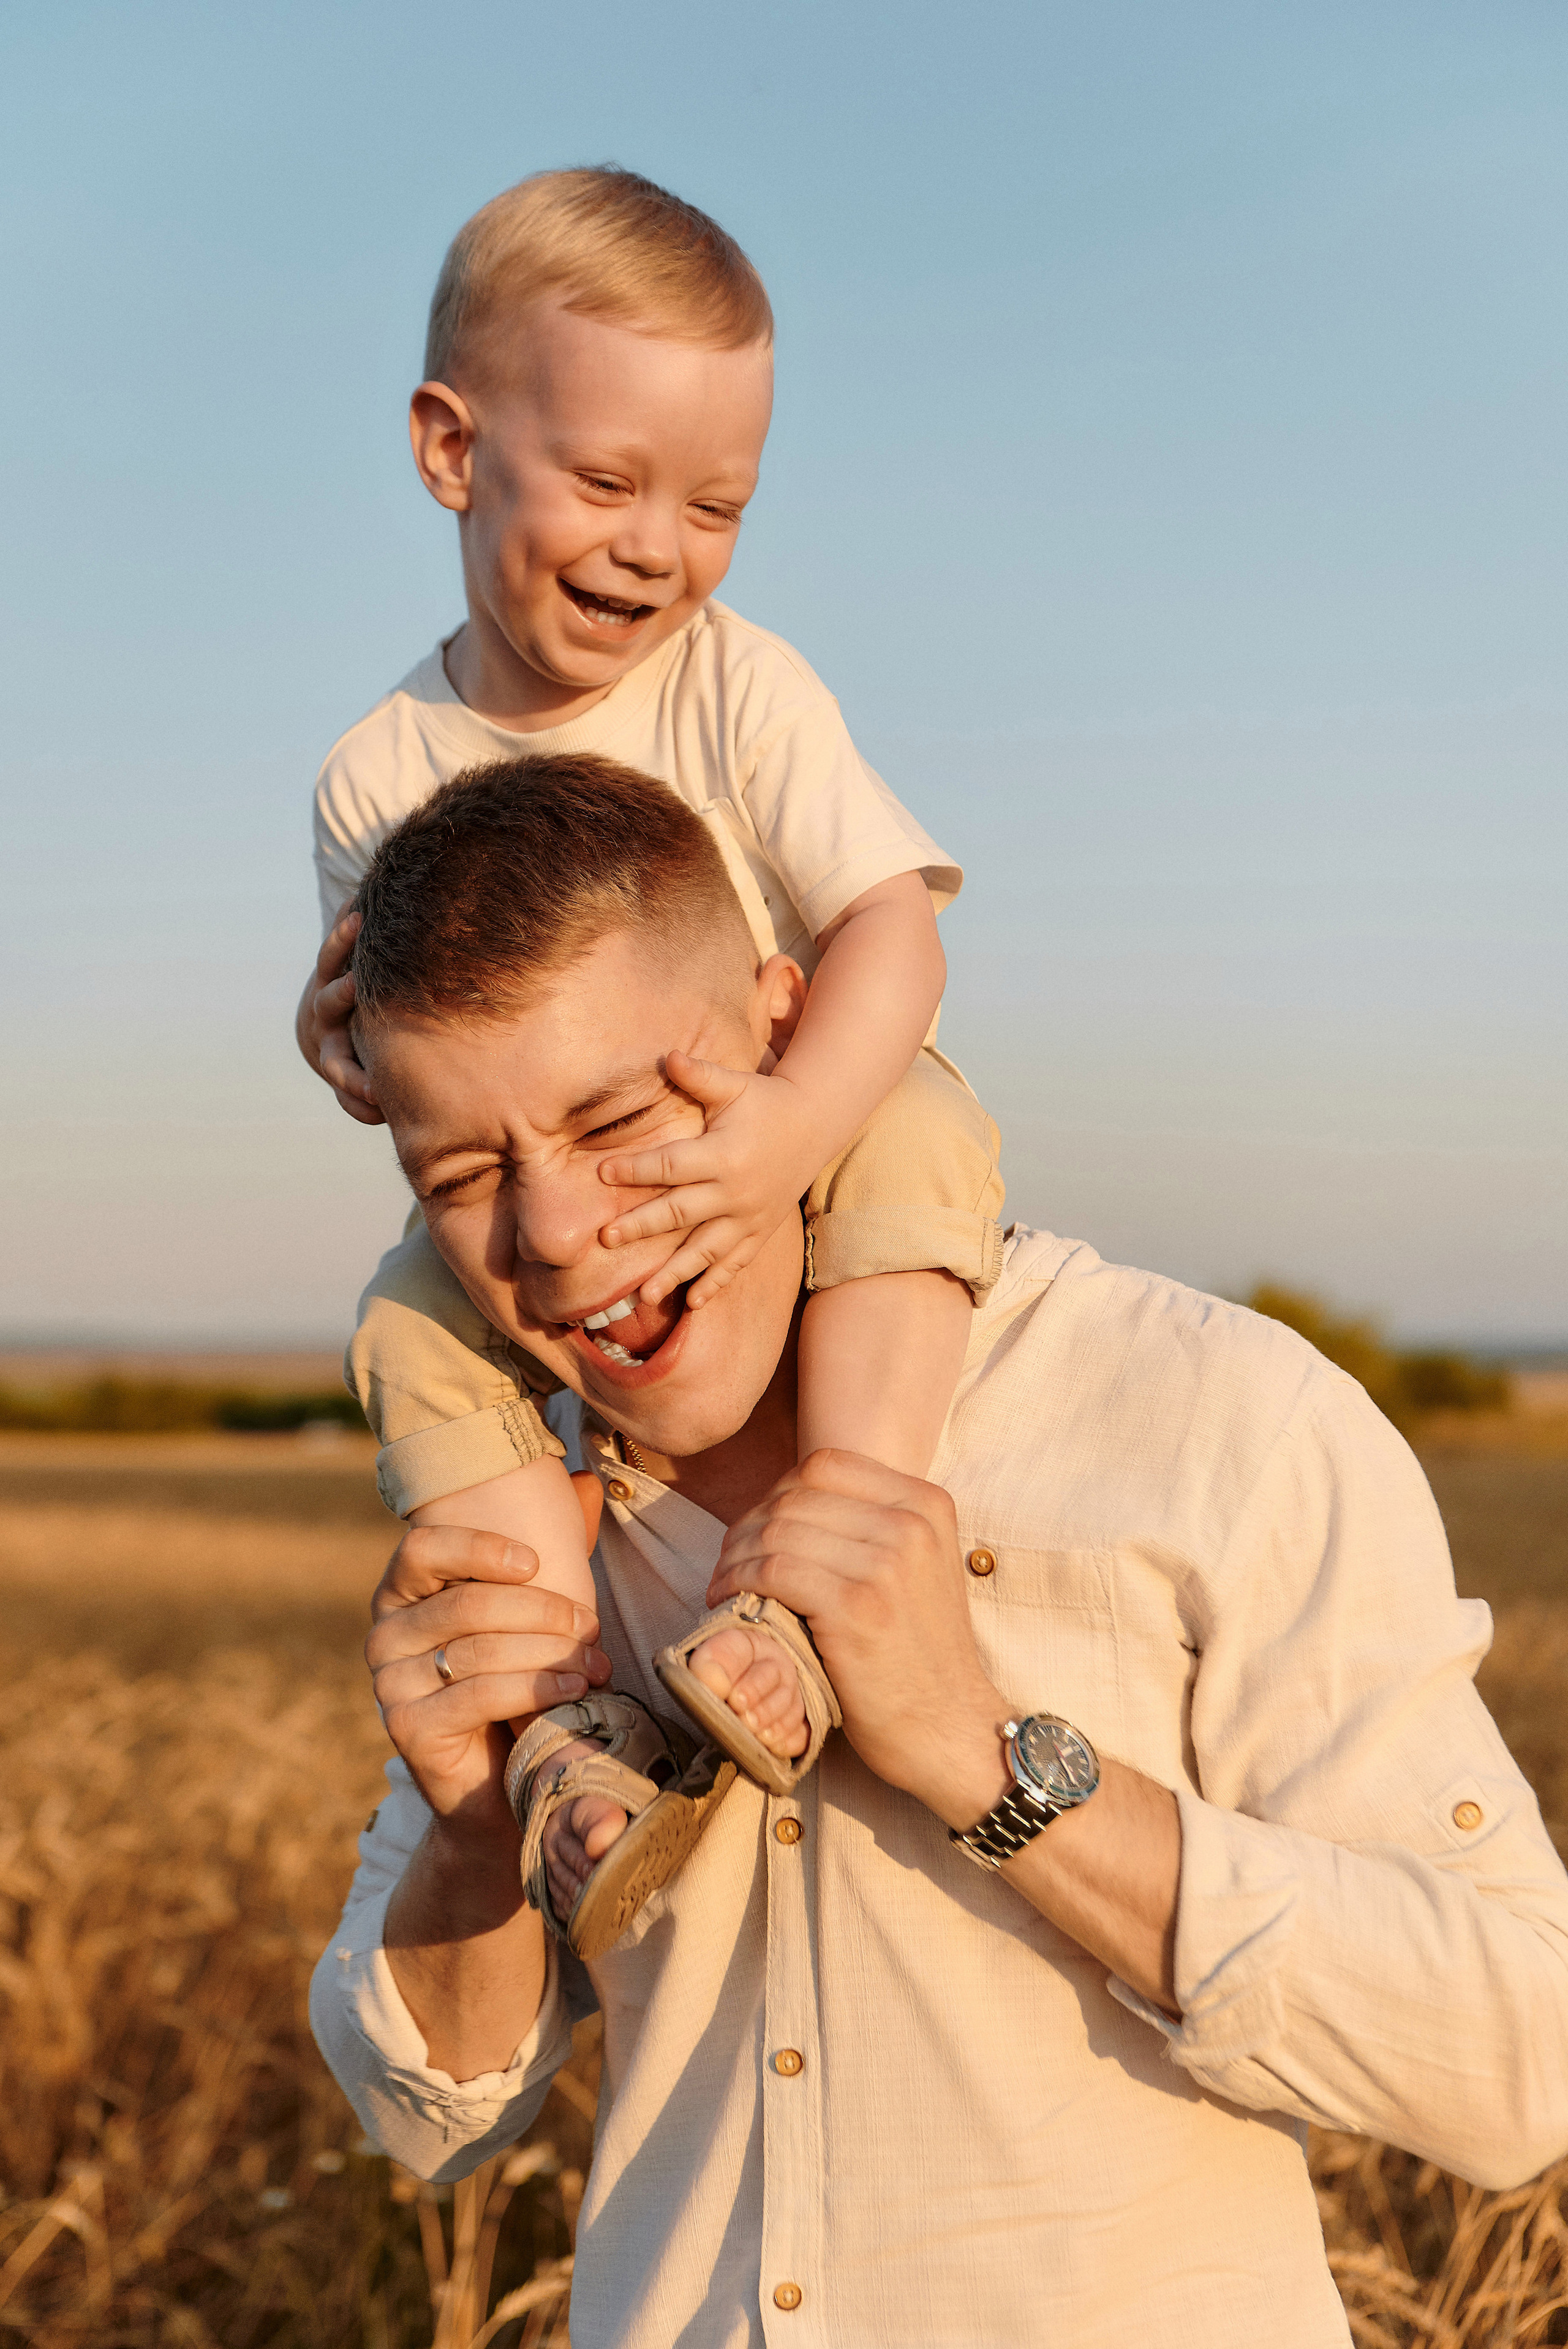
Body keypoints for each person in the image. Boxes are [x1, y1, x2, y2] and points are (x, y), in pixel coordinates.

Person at [311, 758, 1568, 2349]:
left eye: (619, 1119)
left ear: (790, 1031)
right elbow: (421, 2110)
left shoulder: (1210, 1412)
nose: (554, 1234)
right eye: (465, 1178)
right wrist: (475, 1833)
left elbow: (1519, 2061)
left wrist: (987, 1754)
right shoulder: (516, 1511)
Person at [292, 166, 1003, 1924]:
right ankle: (564, 1708)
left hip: (786, 1109)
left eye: (717, 505)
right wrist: (343, 1041)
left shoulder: (741, 684)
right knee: (410, 1318)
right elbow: (419, 1053)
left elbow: (894, 924)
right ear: (451, 450)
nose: (656, 545)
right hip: (577, 1192)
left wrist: (788, 1127)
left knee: (919, 1130)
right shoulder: (378, 772)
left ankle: (825, 1557)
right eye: (607, 482)